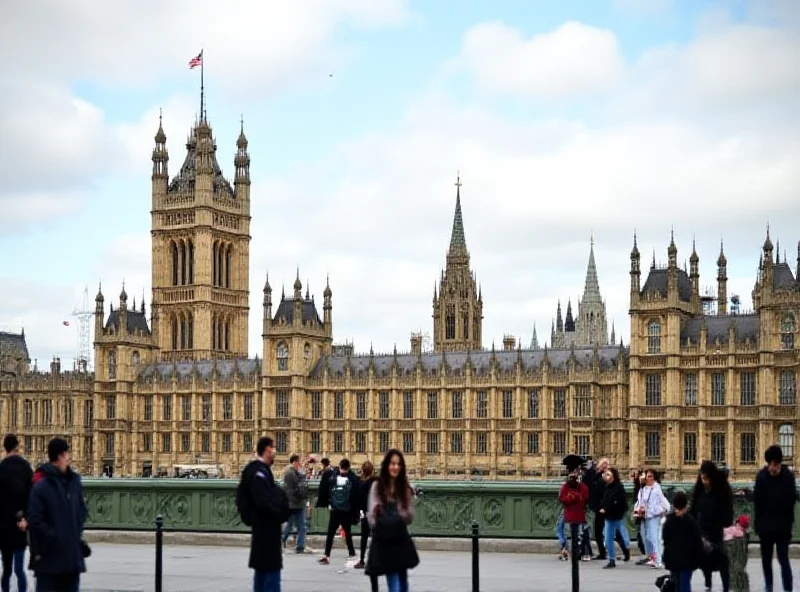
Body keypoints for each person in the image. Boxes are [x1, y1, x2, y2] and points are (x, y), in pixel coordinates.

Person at [27, 437, 87, 592]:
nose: (68, 457)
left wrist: (74, 538)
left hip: (71, 562)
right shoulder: (41, 487)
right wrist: (56, 538)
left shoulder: (74, 482)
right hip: (49, 562)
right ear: (61, 456)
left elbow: (81, 512)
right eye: (67, 454)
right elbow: (35, 521)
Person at [366, 449, 419, 592]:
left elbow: (409, 517)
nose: (395, 467)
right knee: (394, 584)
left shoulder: (404, 488)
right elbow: (371, 517)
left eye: (398, 464)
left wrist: (407, 499)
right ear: (386, 465)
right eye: (392, 463)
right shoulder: (377, 487)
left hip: (400, 542)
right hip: (385, 543)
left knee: (403, 584)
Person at [244, 436, 291, 592]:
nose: (276, 451)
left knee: (261, 575)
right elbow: (265, 502)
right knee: (270, 577)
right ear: (268, 449)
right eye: (274, 448)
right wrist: (281, 512)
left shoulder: (255, 470)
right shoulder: (259, 473)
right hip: (267, 530)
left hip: (261, 530)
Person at [754, 444, 797, 592]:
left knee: (783, 559)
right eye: (770, 465)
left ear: (779, 463)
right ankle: (769, 586)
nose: (772, 468)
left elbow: (791, 501)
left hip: (782, 528)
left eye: (775, 465)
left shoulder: (788, 477)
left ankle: (788, 588)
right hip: (766, 527)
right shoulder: (761, 477)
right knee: (766, 560)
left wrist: (788, 525)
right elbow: (757, 503)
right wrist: (758, 525)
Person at [691, 460, 734, 592]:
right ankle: (708, 583)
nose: (705, 482)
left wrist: (721, 525)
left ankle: (726, 587)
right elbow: (693, 510)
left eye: (707, 479)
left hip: (717, 531)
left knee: (722, 561)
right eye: (703, 478)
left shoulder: (722, 490)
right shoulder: (699, 491)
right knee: (704, 561)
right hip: (702, 531)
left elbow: (727, 513)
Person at [0, 434, 33, 592]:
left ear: (5, 448)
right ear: (17, 446)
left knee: (6, 571)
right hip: (21, 525)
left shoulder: (1, 468)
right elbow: (32, 497)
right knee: (19, 571)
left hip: (4, 527)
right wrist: (25, 518)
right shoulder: (26, 467)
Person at [318, 459, 359, 565]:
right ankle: (352, 553)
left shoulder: (333, 477)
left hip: (335, 509)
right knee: (348, 533)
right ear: (349, 467)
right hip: (346, 510)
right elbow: (355, 496)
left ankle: (326, 555)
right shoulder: (352, 478)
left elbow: (325, 486)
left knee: (330, 533)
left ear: (340, 466)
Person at [662, 490, 703, 592]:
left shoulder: (669, 520)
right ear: (685, 505)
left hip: (673, 559)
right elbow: (697, 542)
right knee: (685, 585)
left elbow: (665, 539)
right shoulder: (691, 521)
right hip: (687, 560)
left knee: (676, 583)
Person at [584, 458, 624, 561]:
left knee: (610, 531)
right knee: (600, 531)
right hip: (599, 507)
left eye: (604, 464)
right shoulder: (595, 473)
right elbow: (588, 481)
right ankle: (603, 552)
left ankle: (623, 550)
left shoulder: (607, 477)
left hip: (605, 507)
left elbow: (600, 486)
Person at [634, 468, 670, 569]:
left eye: (650, 476)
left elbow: (663, 503)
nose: (648, 478)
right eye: (646, 476)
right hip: (646, 516)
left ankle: (659, 560)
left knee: (655, 538)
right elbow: (640, 501)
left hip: (654, 516)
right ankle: (654, 557)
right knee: (649, 537)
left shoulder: (656, 489)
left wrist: (660, 511)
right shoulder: (643, 489)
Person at [598, 467, 630, 569]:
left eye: (608, 474)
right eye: (605, 474)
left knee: (624, 537)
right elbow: (605, 500)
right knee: (608, 539)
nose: (606, 476)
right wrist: (603, 507)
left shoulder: (619, 487)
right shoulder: (607, 486)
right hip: (608, 517)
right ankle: (612, 560)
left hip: (617, 516)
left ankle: (627, 548)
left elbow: (619, 502)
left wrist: (607, 509)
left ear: (613, 476)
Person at [558, 465, 589, 563]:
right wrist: (573, 498)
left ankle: (576, 552)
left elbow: (584, 498)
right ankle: (569, 552)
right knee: (569, 534)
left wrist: (573, 497)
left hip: (578, 515)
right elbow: (563, 498)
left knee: (578, 535)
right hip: (570, 515)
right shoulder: (566, 486)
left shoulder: (581, 486)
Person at [281, 454, 310, 554]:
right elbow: (299, 487)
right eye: (298, 462)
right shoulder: (291, 473)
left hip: (294, 504)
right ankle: (298, 546)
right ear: (294, 462)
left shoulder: (291, 472)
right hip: (294, 504)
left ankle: (300, 546)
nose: (299, 464)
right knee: (297, 526)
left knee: (298, 526)